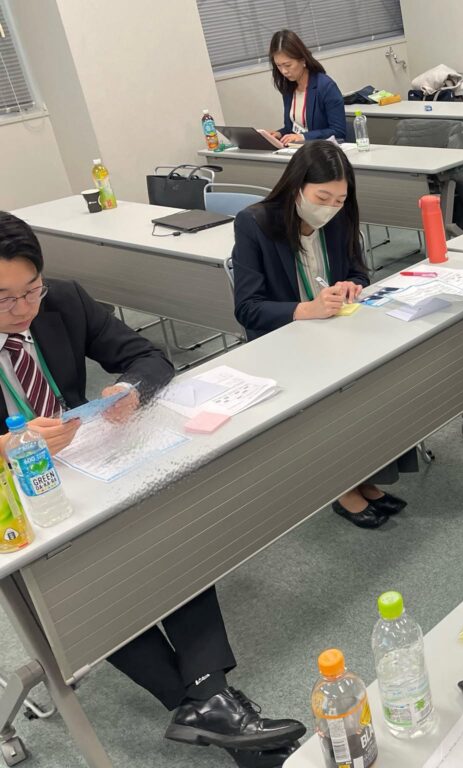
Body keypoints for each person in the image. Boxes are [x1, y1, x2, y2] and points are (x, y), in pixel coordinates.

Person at [0, 212, 304, 767]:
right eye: (4, 300)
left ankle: (207, 701)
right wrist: (6, 445)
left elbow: (147, 358)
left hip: (84, 468)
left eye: (31, 290)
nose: (23, 310)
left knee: (164, 530)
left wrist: (128, 390)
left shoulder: (64, 300)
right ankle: (213, 708)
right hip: (12, 503)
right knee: (84, 583)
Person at [232, 140, 413, 529]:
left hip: (337, 328)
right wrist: (304, 310)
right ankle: (341, 487)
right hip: (286, 341)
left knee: (379, 376)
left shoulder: (339, 218)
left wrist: (351, 284)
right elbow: (247, 308)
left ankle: (366, 475)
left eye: (339, 199)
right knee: (334, 397)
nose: (330, 207)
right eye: (322, 198)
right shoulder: (254, 224)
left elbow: (359, 270)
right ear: (297, 187)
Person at [267, 29, 347, 145]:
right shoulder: (288, 87)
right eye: (278, 66)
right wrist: (279, 134)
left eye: (288, 65)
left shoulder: (325, 87)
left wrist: (303, 137)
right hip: (299, 149)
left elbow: (338, 131)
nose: (284, 71)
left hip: (322, 149)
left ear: (303, 60)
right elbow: (292, 128)